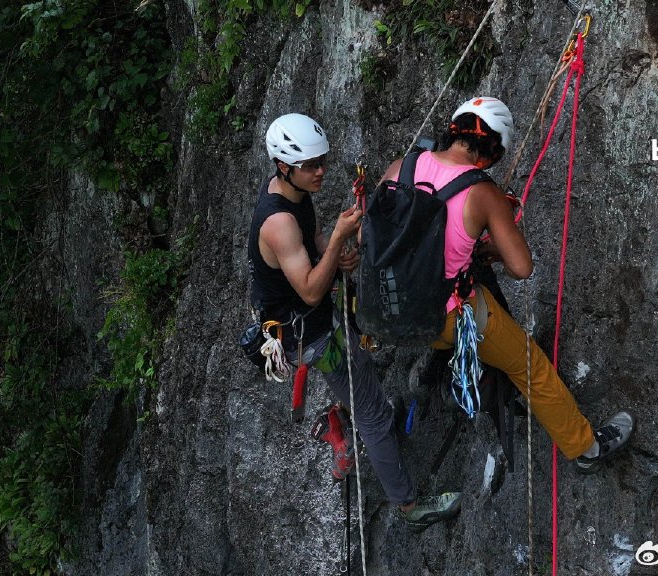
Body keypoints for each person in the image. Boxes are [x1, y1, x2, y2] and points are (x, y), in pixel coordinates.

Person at [378, 97, 634, 473]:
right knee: (530, 366)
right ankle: (586, 448)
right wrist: (494, 243)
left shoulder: (403, 166)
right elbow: (522, 267)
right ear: (493, 150)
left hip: (389, 306)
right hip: (446, 317)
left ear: (455, 129)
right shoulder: (482, 192)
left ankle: (452, 374)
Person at [247, 112, 461, 532]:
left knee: (360, 387)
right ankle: (410, 507)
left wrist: (333, 250)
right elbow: (310, 288)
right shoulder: (278, 222)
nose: (320, 171)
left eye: (321, 161)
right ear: (283, 167)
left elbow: (312, 248)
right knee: (371, 413)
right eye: (310, 166)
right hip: (309, 334)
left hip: (309, 320)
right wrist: (340, 241)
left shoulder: (289, 195)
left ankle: (359, 417)